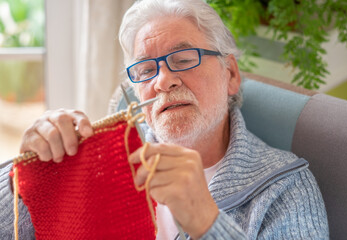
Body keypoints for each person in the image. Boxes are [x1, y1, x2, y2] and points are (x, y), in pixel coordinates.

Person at [1, 0, 329, 239]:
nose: (162, 81)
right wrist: (22, 179)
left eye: (184, 59)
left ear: (229, 74)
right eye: (145, 70)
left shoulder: (284, 188)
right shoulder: (102, 162)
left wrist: (207, 222)